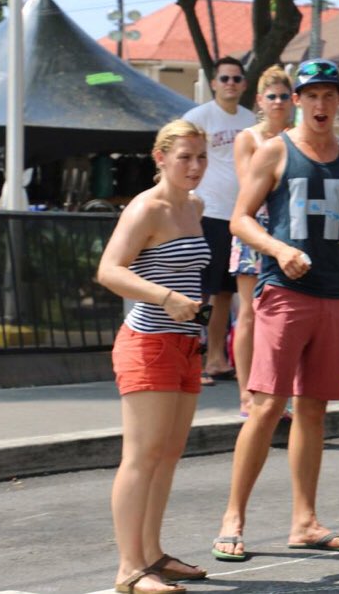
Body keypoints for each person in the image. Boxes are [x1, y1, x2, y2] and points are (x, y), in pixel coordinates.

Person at [212, 59, 339, 562]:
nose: (322, 105)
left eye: (331, 96)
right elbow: (239, 220)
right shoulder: (274, 152)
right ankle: (232, 519)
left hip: (333, 295)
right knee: (266, 407)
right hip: (282, 291)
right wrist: (279, 250)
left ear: (338, 102)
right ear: (297, 100)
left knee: (313, 412)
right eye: (313, 96)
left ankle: (304, 522)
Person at [97, 120, 212, 594]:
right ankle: (129, 569)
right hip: (149, 343)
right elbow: (108, 270)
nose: (195, 166)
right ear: (160, 157)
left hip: (186, 344)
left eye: (201, 157)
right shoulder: (147, 208)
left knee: (168, 455)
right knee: (141, 457)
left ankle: (151, 555)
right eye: (184, 157)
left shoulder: (196, 205)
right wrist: (165, 297)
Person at [183, 56, 256, 384]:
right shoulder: (198, 117)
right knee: (200, 292)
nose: (230, 83)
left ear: (243, 84)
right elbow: (179, 156)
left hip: (239, 215)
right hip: (207, 213)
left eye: (236, 79)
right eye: (224, 78)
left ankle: (215, 358)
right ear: (213, 83)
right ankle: (190, 361)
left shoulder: (250, 119)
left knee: (227, 293)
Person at [229, 66, 294, 416]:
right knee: (250, 314)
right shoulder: (249, 139)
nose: (279, 102)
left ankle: (276, 391)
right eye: (272, 96)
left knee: (284, 315)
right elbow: (248, 184)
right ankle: (245, 392)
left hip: (291, 230)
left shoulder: (298, 136)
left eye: (284, 96)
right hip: (256, 227)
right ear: (260, 101)